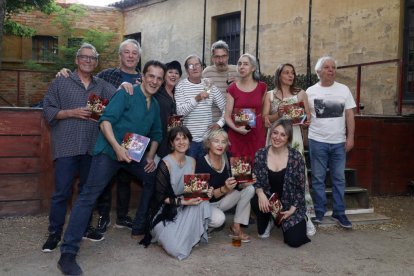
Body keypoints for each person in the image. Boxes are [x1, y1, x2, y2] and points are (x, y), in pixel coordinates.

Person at [57, 60, 165, 276]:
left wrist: (151, 157)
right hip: (109, 152)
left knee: (154, 175)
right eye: (150, 76)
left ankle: (139, 227)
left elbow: (156, 134)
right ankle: (67, 254)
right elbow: (105, 122)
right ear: (142, 76)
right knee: (88, 196)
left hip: (132, 156)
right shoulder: (126, 93)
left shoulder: (153, 105)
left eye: (158, 78)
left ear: (161, 82)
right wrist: (116, 148)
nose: (154, 81)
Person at [57, 39, 143, 234]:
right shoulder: (107, 75)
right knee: (104, 178)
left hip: (132, 136)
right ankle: (103, 216)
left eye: (134, 53)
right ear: (120, 55)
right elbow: (84, 78)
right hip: (107, 133)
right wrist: (65, 72)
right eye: (126, 52)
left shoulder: (144, 78)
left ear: (138, 57)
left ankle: (122, 217)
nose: (130, 56)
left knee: (126, 178)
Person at [41, 43, 117, 253]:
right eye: (84, 57)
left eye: (92, 58)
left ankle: (82, 228)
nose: (88, 61)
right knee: (61, 192)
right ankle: (54, 233)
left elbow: (119, 96)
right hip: (67, 145)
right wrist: (70, 112)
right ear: (76, 60)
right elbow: (47, 109)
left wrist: (129, 87)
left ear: (96, 62)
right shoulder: (62, 81)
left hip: (91, 147)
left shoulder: (102, 86)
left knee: (86, 192)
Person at [142, 126, 212, 260]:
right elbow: (160, 197)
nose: (181, 142)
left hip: (184, 205)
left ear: (189, 141)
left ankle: (188, 234)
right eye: (177, 139)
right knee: (177, 250)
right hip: (166, 210)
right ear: (171, 144)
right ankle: (177, 235)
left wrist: (206, 191)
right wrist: (184, 201)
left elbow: (193, 190)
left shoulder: (192, 161)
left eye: (184, 138)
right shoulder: (165, 163)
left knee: (202, 202)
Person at [262, 63, 316, 236]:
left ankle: (304, 217)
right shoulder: (269, 95)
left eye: (292, 73)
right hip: (275, 139)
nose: (290, 75)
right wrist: (277, 113)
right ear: (279, 75)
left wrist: (307, 121)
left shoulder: (301, 94)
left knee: (298, 178)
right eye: (286, 72)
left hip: (295, 139)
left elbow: (307, 117)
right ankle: (272, 216)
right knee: (273, 176)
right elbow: (265, 120)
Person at [306, 56, 356, 229]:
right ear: (318, 72)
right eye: (327, 67)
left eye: (333, 67)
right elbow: (306, 116)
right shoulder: (310, 91)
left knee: (339, 178)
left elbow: (349, 115)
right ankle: (319, 212)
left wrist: (350, 137)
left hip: (338, 142)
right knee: (318, 179)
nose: (331, 70)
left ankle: (339, 213)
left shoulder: (344, 90)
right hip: (317, 140)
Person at [252, 119, 311, 248]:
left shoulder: (296, 157)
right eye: (275, 133)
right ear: (271, 134)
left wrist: (292, 210)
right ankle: (269, 220)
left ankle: (303, 219)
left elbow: (300, 188)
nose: (277, 137)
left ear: (288, 138)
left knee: (294, 241)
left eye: (283, 135)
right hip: (268, 202)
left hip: (290, 204)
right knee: (254, 198)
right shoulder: (260, 154)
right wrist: (260, 193)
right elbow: (256, 180)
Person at [195, 129, 255, 242]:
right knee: (219, 220)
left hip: (223, 200)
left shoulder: (229, 157)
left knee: (250, 189)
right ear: (208, 143)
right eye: (216, 141)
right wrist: (225, 189)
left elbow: (237, 185)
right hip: (206, 204)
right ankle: (203, 226)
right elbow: (203, 196)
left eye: (223, 142)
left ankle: (236, 227)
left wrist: (245, 183)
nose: (220, 145)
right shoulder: (200, 163)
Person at [175, 54, 226, 160]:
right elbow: (180, 113)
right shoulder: (181, 87)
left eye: (197, 64)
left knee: (205, 174)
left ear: (202, 67)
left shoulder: (209, 85)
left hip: (207, 141)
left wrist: (220, 123)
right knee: (190, 174)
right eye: (190, 66)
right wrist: (197, 98)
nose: (194, 67)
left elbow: (226, 108)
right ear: (186, 70)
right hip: (188, 141)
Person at [224, 53, 267, 162]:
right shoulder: (232, 88)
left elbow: (262, 112)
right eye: (239, 64)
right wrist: (237, 129)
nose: (241, 67)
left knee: (257, 167)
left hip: (256, 134)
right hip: (237, 134)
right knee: (240, 171)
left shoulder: (262, 87)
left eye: (246, 64)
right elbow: (227, 116)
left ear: (253, 68)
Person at [203, 40, 238, 123]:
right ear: (212, 58)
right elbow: (205, 97)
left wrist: (239, 85)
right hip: (215, 121)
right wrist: (207, 90)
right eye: (217, 57)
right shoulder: (207, 72)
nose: (221, 60)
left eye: (224, 56)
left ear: (228, 56)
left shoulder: (237, 71)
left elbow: (246, 95)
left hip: (235, 119)